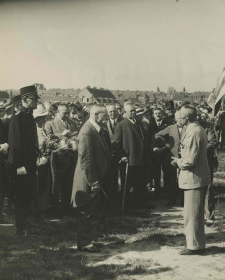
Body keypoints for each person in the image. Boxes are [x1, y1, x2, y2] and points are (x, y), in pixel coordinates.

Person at [171, 105, 210, 255]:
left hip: (194, 179)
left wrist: (177, 162)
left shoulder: (194, 133)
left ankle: (194, 247)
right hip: (196, 178)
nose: (178, 117)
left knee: (192, 214)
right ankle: (197, 244)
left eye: (181, 115)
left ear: (187, 117)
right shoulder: (195, 129)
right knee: (194, 214)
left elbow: (190, 161)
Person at [71, 105, 110, 251]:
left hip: (92, 177)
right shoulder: (87, 131)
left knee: (90, 210)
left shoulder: (95, 130)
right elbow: (85, 159)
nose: (106, 118)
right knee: (85, 211)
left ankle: (88, 240)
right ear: (95, 115)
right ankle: (84, 243)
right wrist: (93, 181)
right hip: (87, 179)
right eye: (104, 115)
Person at [7, 85, 40, 236]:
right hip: (21, 166)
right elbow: (15, 145)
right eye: (34, 99)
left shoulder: (28, 116)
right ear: (25, 100)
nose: (36, 102)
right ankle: (21, 228)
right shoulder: (18, 117)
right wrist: (19, 166)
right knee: (21, 196)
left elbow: (30, 140)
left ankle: (27, 225)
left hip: (30, 163)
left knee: (28, 194)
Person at [113, 102, 152, 209]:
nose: (134, 112)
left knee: (140, 183)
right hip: (129, 160)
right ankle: (124, 206)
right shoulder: (121, 125)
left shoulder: (139, 123)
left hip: (140, 160)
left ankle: (140, 204)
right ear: (125, 112)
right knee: (127, 184)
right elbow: (116, 143)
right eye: (131, 111)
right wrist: (122, 156)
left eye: (135, 110)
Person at [45, 104, 79, 216]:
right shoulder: (50, 123)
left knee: (68, 184)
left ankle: (66, 207)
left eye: (69, 112)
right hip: (57, 159)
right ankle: (55, 208)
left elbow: (76, 137)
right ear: (58, 112)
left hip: (71, 158)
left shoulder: (73, 123)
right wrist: (61, 135)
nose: (68, 115)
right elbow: (49, 139)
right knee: (56, 184)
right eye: (65, 113)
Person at [155, 110, 186, 206]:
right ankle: (172, 199)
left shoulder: (188, 127)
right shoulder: (171, 127)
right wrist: (167, 144)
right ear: (176, 119)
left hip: (185, 156)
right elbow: (157, 135)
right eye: (179, 118)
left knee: (184, 178)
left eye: (183, 118)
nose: (181, 120)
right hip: (173, 155)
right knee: (172, 178)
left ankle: (183, 200)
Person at [148, 108, 172, 196]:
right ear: (153, 115)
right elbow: (148, 139)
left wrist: (164, 148)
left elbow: (170, 138)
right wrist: (152, 148)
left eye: (159, 113)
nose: (158, 115)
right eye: (156, 113)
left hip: (165, 152)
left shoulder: (167, 124)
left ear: (162, 114)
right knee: (156, 173)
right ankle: (157, 192)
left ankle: (166, 192)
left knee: (166, 172)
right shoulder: (150, 125)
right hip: (154, 152)